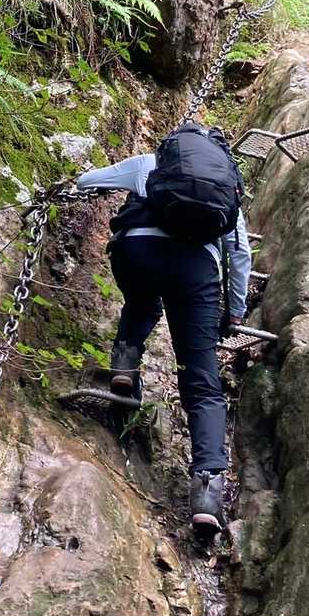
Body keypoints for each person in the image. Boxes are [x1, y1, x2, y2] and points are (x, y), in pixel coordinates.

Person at [76, 124, 251, 533]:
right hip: (195, 269)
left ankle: (124, 365)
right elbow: (239, 252)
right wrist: (236, 313)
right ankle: (206, 491)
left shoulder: (149, 164)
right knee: (202, 380)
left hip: (136, 250)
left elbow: (88, 181)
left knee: (141, 301)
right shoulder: (226, 187)